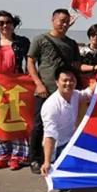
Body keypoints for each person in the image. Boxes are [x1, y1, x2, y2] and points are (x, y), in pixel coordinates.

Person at [27, 9, 80, 174]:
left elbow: (76, 66)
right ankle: (35, 159)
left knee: (66, 125)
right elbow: (30, 62)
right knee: (39, 126)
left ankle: (57, 157)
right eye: (61, 20)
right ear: (53, 20)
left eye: (67, 21)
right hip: (44, 91)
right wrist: (38, 83)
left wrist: (96, 67)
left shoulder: (71, 44)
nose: (64, 24)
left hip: (65, 93)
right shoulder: (40, 39)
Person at [0, 11, 31, 171]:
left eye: (8, 22)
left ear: (13, 24)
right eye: (1, 23)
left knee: (18, 120)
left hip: (16, 85)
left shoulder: (22, 42)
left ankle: (18, 156)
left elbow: (30, 62)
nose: (5, 25)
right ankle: (3, 155)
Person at [40, 67, 95, 176]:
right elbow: (50, 135)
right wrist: (46, 162)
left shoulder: (75, 94)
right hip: (58, 147)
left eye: (72, 80)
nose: (68, 83)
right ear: (57, 82)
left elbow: (88, 93)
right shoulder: (51, 105)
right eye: (65, 80)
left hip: (72, 142)